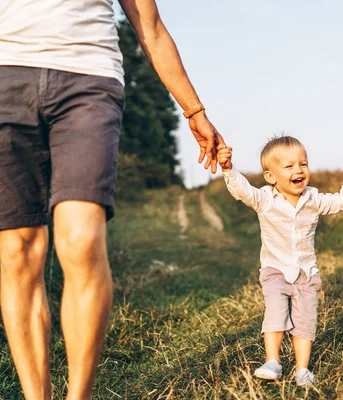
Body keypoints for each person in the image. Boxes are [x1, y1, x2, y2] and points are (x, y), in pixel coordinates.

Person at [0, 1, 223, 399]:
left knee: (82, 240)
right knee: (17, 250)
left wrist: (194, 109)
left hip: (89, 79)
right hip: (5, 76)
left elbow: (149, 26)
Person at [216, 137, 343, 385]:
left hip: (306, 273)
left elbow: (341, 201)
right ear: (271, 177)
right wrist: (228, 168)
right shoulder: (265, 199)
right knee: (276, 313)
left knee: (305, 321)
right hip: (275, 271)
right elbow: (243, 191)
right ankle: (273, 361)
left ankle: (302, 370)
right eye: (289, 166)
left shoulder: (313, 199)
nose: (299, 170)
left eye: (303, 164)